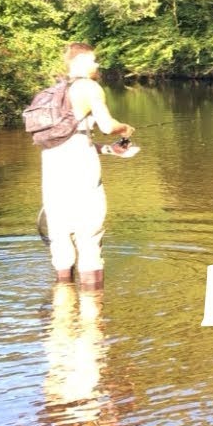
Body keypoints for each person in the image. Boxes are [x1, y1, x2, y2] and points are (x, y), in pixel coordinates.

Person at [41, 43, 134, 288]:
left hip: (51, 173)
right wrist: (124, 129)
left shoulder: (54, 92)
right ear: (80, 62)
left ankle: (63, 305)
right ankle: (92, 307)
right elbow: (107, 126)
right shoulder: (89, 87)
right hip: (82, 173)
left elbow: (70, 138)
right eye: (93, 60)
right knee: (89, 239)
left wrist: (109, 150)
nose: (97, 65)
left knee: (61, 241)